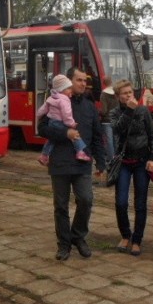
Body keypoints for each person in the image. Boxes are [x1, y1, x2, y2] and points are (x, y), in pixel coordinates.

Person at [38, 67, 106, 261]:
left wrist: (101, 161)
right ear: (68, 81)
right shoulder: (56, 102)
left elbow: (97, 136)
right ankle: (64, 244)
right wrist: (65, 133)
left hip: (82, 161)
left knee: (86, 200)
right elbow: (41, 128)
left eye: (85, 81)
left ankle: (78, 236)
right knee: (60, 206)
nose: (83, 84)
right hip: (59, 162)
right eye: (79, 80)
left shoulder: (89, 106)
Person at [110, 79, 153, 257]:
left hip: (141, 161)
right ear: (118, 97)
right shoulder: (115, 113)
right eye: (125, 93)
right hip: (123, 162)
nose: (129, 95)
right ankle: (125, 235)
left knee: (140, 203)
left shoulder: (143, 110)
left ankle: (137, 240)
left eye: (130, 92)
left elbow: (152, 135)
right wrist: (129, 110)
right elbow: (118, 130)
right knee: (121, 201)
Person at [36, 74, 91, 166]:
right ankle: (80, 151)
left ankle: (44, 155)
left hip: (51, 122)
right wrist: (71, 123)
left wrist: (38, 115)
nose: (71, 90)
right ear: (62, 89)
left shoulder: (51, 97)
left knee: (52, 140)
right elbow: (67, 114)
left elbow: (43, 109)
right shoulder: (64, 100)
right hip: (60, 122)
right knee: (75, 136)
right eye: (68, 88)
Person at [99, 75, 119, 159]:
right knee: (116, 141)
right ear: (111, 82)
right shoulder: (116, 93)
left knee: (108, 141)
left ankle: (111, 159)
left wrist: (98, 112)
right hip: (116, 120)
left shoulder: (103, 94)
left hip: (106, 121)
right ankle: (118, 158)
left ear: (103, 83)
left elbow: (104, 110)